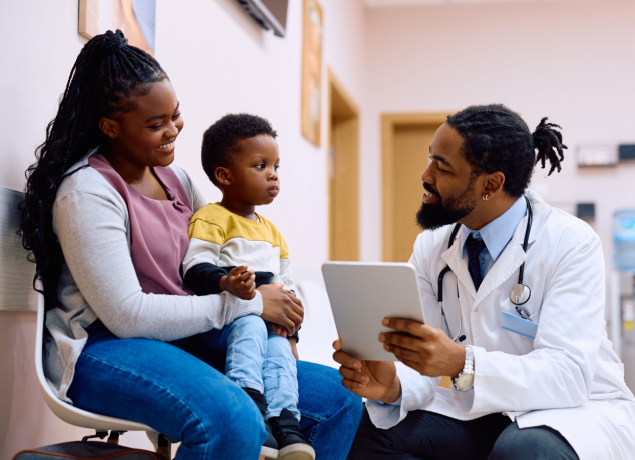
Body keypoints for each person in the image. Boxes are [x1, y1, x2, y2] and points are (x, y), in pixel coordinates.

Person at [19, 30, 361, 460]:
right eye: (155, 124)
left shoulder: (176, 180)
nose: (172, 131)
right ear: (110, 127)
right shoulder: (87, 192)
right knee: (232, 416)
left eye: (175, 116)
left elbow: (225, 252)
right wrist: (253, 305)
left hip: (189, 337)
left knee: (338, 400)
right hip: (102, 350)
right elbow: (128, 316)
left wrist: (281, 314)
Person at [333, 104, 635, 460]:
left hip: (573, 413)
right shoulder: (434, 245)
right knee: (371, 428)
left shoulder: (570, 242)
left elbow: (568, 375)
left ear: (491, 184)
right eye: (430, 158)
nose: (425, 175)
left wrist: (462, 362)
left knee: (523, 450)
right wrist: (394, 385)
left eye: (442, 167)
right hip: (485, 411)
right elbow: (423, 360)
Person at [181, 113, 313, 460]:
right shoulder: (211, 218)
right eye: (260, 165)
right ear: (224, 176)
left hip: (264, 323)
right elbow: (193, 268)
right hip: (224, 323)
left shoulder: (273, 233)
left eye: (276, 166)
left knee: (281, 350)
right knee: (253, 322)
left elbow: (286, 287)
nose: (273, 174)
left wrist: (294, 332)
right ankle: (249, 406)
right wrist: (226, 281)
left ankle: (285, 424)